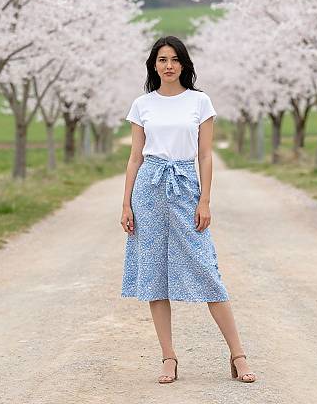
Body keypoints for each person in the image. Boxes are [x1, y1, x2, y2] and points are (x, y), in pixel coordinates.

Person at [120, 36, 256, 384]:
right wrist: (126, 203)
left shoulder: (199, 102)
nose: (168, 65)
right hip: (148, 189)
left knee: (207, 271)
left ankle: (238, 354)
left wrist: (205, 199)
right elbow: (135, 156)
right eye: (162, 59)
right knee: (155, 276)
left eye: (175, 59)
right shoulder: (142, 105)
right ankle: (168, 358)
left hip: (185, 187)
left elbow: (205, 155)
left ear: (184, 64)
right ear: (154, 65)